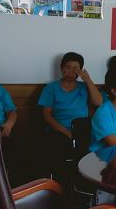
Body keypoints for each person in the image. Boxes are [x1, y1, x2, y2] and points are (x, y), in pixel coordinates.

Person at [38, 52, 102, 185]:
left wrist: (87, 80)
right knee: (57, 147)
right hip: (58, 130)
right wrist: (65, 132)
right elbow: (46, 115)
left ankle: (86, 184)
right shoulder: (51, 88)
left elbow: (98, 102)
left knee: (96, 146)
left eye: (76, 68)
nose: (71, 71)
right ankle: (60, 185)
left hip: (82, 130)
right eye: (68, 67)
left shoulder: (84, 87)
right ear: (62, 68)